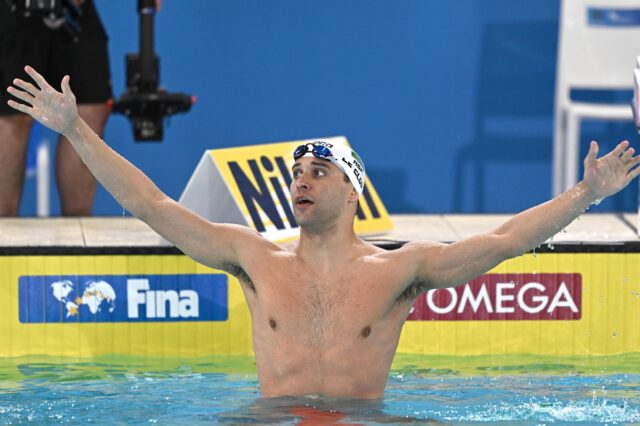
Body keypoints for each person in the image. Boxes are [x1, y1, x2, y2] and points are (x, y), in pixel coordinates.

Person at [6, 67, 640, 399]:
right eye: (296, 172)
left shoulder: (401, 269)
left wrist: (586, 193)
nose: (301, 181)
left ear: (352, 189)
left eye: (318, 171)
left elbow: (506, 242)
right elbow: (149, 203)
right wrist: (74, 130)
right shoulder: (252, 257)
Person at [0, 0, 113, 216]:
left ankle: (78, 230)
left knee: (88, 110)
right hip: (11, 9)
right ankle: (2, 228)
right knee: (13, 111)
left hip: (74, 9)